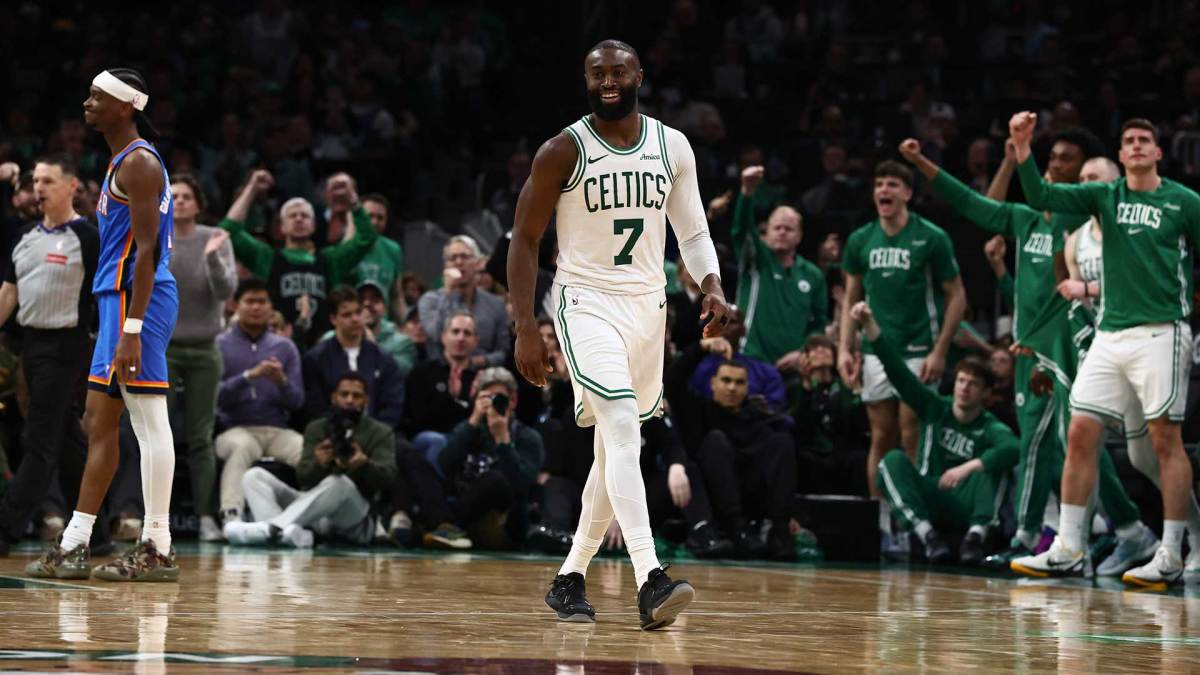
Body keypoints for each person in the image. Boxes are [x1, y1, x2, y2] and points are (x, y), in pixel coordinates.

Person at [509, 40, 728, 629]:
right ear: (586, 80)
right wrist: (526, 325)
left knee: (614, 447)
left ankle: (569, 578)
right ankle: (651, 577)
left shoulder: (672, 145)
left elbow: (694, 230)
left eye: (618, 71)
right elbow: (524, 238)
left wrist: (712, 286)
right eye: (597, 73)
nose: (609, 80)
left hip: (647, 307)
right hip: (584, 303)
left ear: (639, 76)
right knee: (622, 424)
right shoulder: (563, 149)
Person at [897, 138, 1158, 572]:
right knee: (1051, 443)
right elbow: (973, 204)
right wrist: (921, 162)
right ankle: (1121, 529)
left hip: (1074, 346)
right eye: (1051, 157)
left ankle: (1040, 534)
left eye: (1066, 159)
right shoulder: (1026, 218)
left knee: (1067, 441)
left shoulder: (1086, 216)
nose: (1055, 164)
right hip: (1028, 349)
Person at [1007, 113, 1200, 588]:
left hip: (1161, 332)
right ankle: (1069, 546)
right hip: (1110, 335)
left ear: (1158, 153)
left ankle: (1173, 550)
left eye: (1144, 140)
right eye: (1128, 140)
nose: (1135, 146)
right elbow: (1041, 196)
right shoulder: (1104, 197)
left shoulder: (1185, 201)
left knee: (1162, 444)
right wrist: (1022, 149)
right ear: (1119, 154)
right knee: (1079, 433)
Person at [29, 69, 180, 582]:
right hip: (116, 302)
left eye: (99, 97)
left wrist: (133, 328)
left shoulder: (139, 163)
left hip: (139, 302)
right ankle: (73, 543)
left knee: (149, 420)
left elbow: (147, 252)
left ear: (126, 107)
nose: (87, 103)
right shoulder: (122, 161)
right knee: (99, 421)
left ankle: (157, 545)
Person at [852, 301, 1019, 565]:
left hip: (967, 504)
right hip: (932, 491)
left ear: (986, 393)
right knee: (891, 460)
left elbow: (1013, 448)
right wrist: (871, 327)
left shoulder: (989, 425)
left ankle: (976, 537)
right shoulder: (934, 407)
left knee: (995, 466)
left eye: (973, 384)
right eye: (962, 381)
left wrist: (967, 468)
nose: (964, 388)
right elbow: (899, 373)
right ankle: (925, 535)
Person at [839, 160, 967, 500]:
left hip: (918, 350)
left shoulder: (931, 237)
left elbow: (957, 297)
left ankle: (913, 520)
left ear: (908, 193)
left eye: (893, 184)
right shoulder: (860, 239)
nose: (884, 190)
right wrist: (843, 348)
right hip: (874, 351)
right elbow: (851, 298)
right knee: (881, 438)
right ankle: (880, 523)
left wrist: (940, 351)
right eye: (879, 184)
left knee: (913, 436)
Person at [0, 155, 107, 558]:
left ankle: (5, 527)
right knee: (64, 441)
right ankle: (95, 533)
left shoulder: (88, 237)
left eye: (48, 180)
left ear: (71, 186)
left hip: (68, 346)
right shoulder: (25, 236)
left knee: (39, 439)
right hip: (30, 345)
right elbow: (9, 293)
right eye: (35, 181)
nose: (39, 188)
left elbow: (110, 293)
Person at [224, 372, 397, 547]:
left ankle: (272, 528)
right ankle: (283, 535)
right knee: (253, 476)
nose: (350, 400)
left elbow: (388, 478)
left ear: (366, 401)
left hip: (354, 518)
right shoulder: (317, 428)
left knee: (339, 483)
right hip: (314, 510)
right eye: (344, 394)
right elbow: (303, 478)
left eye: (357, 396)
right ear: (334, 398)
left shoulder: (380, 432)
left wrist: (365, 464)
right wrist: (319, 463)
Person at [666, 337, 797, 559]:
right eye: (726, 380)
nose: (732, 387)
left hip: (748, 495)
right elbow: (672, 381)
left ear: (747, 388)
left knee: (782, 441)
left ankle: (779, 530)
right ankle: (736, 529)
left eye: (739, 383)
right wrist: (701, 347)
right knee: (716, 440)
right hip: (710, 498)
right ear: (712, 383)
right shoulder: (697, 410)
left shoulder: (758, 418)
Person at [219, 169, 378, 347]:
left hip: (323, 346)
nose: (299, 219)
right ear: (282, 227)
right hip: (277, 344)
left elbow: (367, 238)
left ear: (313, 226)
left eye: (304, 216)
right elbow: (228, 231)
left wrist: (351, 198)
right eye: (292, 216)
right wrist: (251, 189)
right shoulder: (267, 257)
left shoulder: (330, 259)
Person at [164, 173, 237, 542]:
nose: (179, 201)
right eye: (173, 195)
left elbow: (227, 289)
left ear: (198, 203)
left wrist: (211, 259)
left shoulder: (215, 238)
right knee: (158, 434)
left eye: (186, 196)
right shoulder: (158, 235)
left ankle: (207, 517)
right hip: (165, 348)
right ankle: (155, 518)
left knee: (200, 437)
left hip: (206, 350)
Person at [214, 278, 304, 524]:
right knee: (241, 447)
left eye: (262, 302)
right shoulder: (219, 345)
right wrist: (247, 377)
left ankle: (311, 513)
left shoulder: (286, 348)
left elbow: (297, 402)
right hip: (234, 428)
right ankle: (231, 515)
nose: (256, 307)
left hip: (277, 430)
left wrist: (282, 381)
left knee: (307, 451)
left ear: (271, 307)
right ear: (236, 306)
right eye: (250, 301)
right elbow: (212, 398)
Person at [733, 165, 828, 365]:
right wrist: (747, 194)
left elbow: (819, 323)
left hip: (794, 364)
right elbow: (742, 229)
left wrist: (803, 352)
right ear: (766, 232)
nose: (782, 232)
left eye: (789, 229)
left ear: (800, 236)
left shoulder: (814, 275)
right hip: (751, 357)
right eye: (777, 227)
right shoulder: (755, 259)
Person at [438, 368, 543, 548]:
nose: (494, 403)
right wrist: (473, 421)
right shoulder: (469, 428)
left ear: (513, 401)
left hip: (505, 523)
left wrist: (503, 440)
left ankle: (449, 526)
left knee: (496, 479)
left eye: (500, 398)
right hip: (466, 510)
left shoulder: (528, 437)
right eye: (487, 397)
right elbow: (444, 464)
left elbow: (522, 484)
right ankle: (447, 525)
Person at [302, 286, 404, 429]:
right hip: (331, 435)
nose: (355, 319)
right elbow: (315, 409)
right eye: (347, 315)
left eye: (358, 312)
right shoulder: (315, 359)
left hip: (378, 436)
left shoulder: (383, 359)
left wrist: (375, 436)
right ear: (333, 319)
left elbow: (392, 405)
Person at [402, 311, 481, 466]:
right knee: (437, 442)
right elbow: (417, 417)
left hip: (465, 442)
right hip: (427, 439)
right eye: (455, 331)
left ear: (476, 341)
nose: (460, 338)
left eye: (467, 333)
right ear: (443, 337)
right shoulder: (422, 372)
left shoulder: (480, 379)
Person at [418, 236, 511, 368]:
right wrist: (448, 292)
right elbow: (435, 336)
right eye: (452, 258)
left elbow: (503, 352)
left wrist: (477, 362)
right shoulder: (429, 300)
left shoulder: (496, 304)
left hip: (483, 374)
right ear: (445, 265)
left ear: (477, 263)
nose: (459, 262)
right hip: (440, 373)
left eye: (465, 257)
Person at [349, 193, 405, 312]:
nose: (375, 222)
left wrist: (405, 326)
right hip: (352, 321)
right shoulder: (347, 248)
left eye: (380, 218)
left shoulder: (393, 249)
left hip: (381, 324)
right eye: (370, 216)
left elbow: (396, 295)